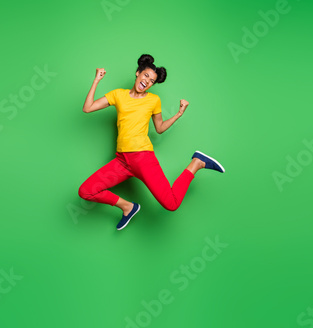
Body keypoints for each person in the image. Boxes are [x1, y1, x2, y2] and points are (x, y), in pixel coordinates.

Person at [78, 54, 225, 230]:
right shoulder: (118, 94)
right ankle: (128, 207)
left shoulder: (153, 100)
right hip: (122, 161)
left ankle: (196, 163)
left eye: (152, 81)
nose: (147, 81)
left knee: (171, 203)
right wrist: (96, 80)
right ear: (137, 73)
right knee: (86, 191)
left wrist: (179, 114)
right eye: (146, 76)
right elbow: (87, 108)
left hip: (142, 158)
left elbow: (160, 128)